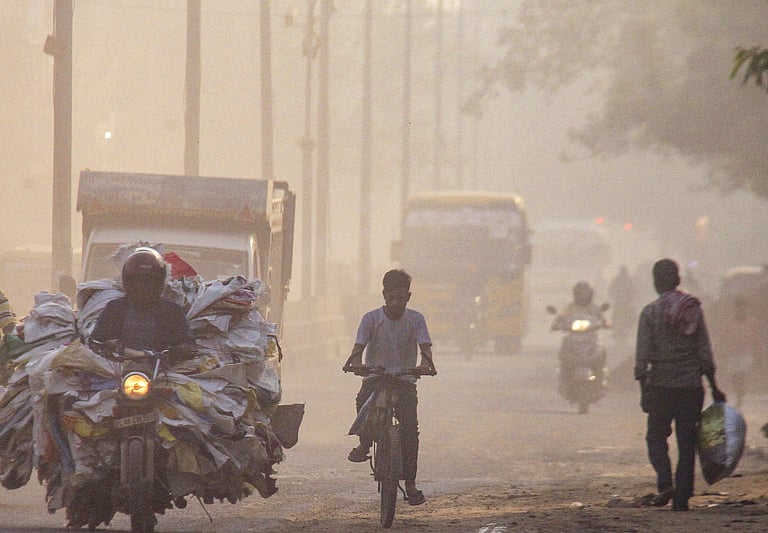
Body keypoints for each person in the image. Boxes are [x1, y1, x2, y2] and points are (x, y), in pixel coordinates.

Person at [635, 258, 725, 512]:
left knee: (655, 437)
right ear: (678, 280)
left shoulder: (650, 312)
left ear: (655, 282)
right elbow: (704, 353)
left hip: (661, 386)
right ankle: (682, 496)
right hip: (690, 387)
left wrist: (644, 391)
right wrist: (714, 386)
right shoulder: (692, 309)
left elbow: (642, 357)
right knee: (687, 442)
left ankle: (665, 482)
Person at [343, 269, 434, 506]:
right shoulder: (370, 319)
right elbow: (358, 348)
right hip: (376, 377)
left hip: (405, 380)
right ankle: (364, 444)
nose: (396, 303)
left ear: (408, 297)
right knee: (361, 402)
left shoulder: (416, 319)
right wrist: (356, 363)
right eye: (392, 297)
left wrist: (425, 365)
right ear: (384, 295)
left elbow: (425, 349)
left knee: (410, 431)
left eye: (401, 298)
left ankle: (411, 485)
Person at [89, 247, 194, 355]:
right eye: (138, 281)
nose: (143, 286)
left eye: (149, 281)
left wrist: (175, 351)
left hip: (160, 369)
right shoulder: (115, 308)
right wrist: (106, 348)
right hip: (117, 367)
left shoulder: (171, 311)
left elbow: (187, 343)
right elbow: (95, 341)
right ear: (127, 281)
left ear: (159, 282)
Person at [718, 297, 759, 408]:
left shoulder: (752, 322)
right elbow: (723, 337)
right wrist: (721, 348)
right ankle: (738, 392)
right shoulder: (729, 321)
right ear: (735, 309)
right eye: (738, 307)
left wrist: (757, 350)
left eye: (743, 307)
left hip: (746, 353)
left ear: (746, 308)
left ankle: (740, 396)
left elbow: (755, 337)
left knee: (743, 374)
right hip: (732, 353)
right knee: (734, 376)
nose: (741, 310)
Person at [608, 265, 637, 344]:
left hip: (626, 302)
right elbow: (611, 289)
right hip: (619, 302)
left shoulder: (629, 280)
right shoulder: (618, 280)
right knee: (616, 315)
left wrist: (632, 298)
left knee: (629, 315)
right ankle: (615, 329)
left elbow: (634, 290)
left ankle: (626, 328)